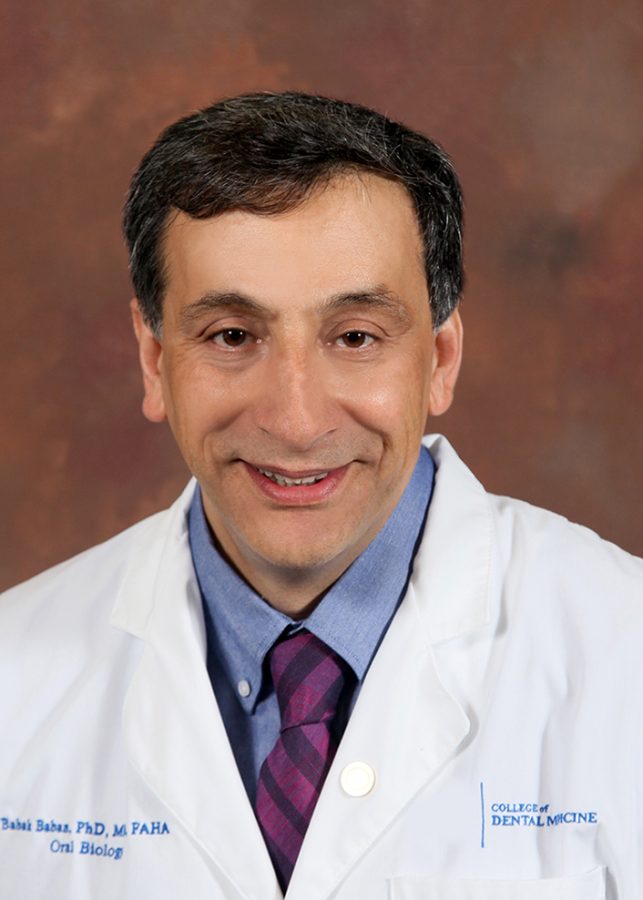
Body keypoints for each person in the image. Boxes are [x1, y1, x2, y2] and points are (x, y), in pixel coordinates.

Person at [0, 91, 640, 900]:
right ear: (152, 358)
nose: (295, 420)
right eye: (232, 336)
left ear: (440, 359)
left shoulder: (627, 660)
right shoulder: (12, 681)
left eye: (355, 337)